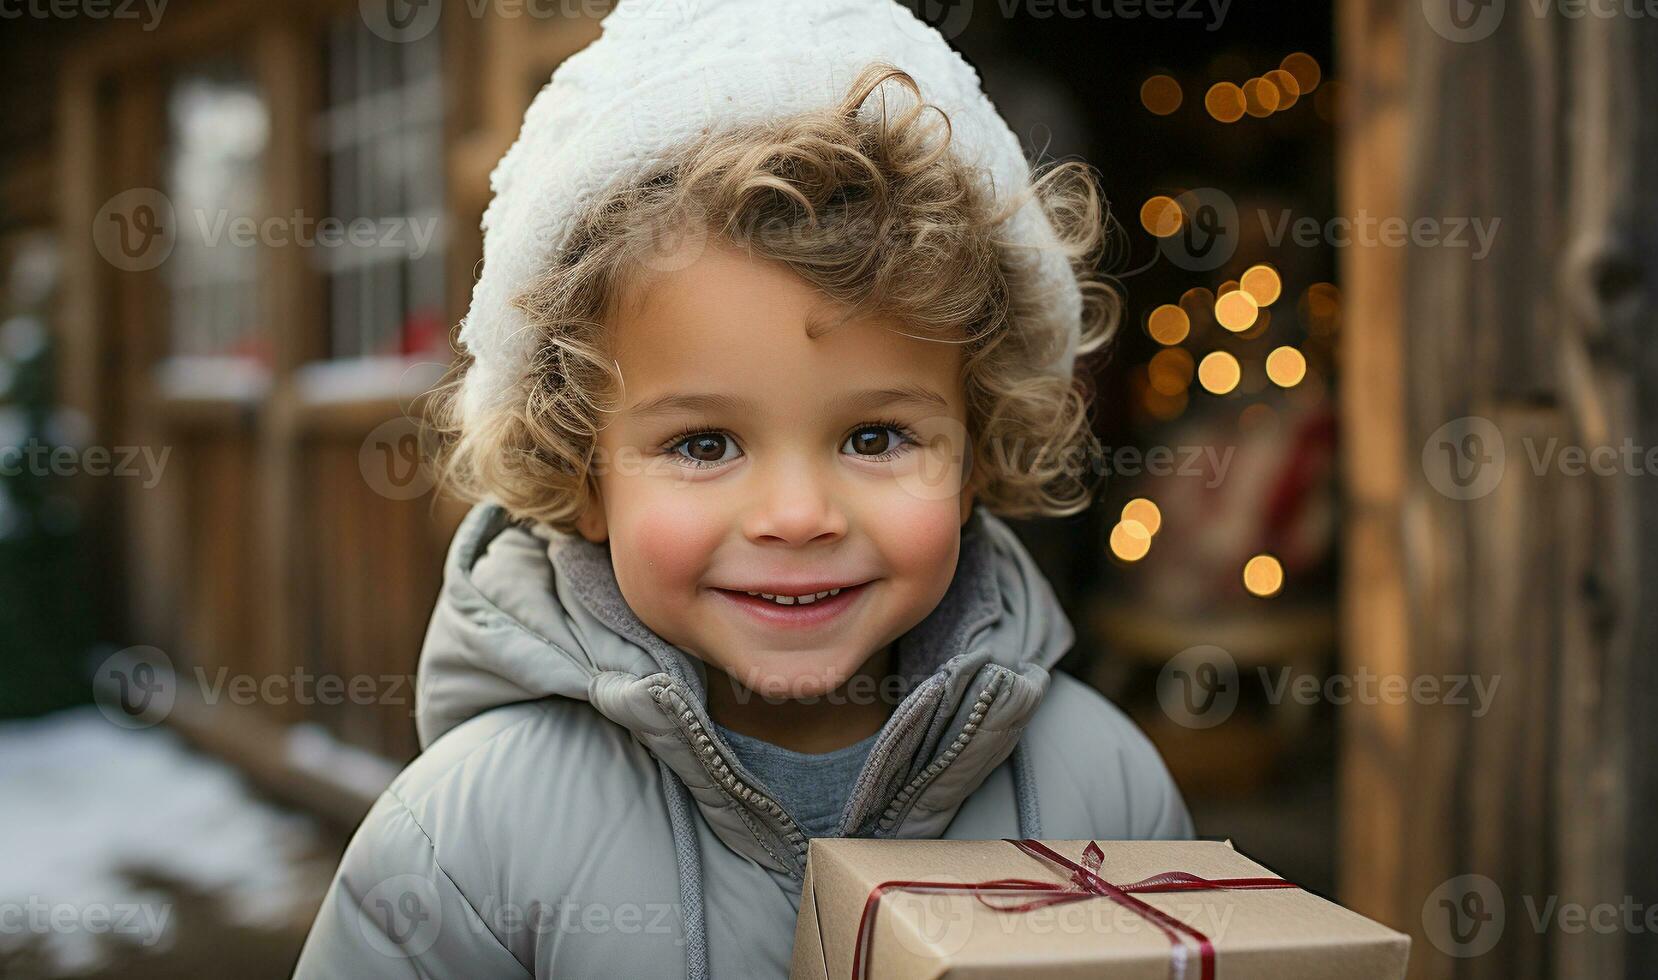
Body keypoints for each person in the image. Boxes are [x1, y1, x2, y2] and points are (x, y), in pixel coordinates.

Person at [293, 1, 1192, 976]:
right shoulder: (464, 838)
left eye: (876, 435)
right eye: (706, 442)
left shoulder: (1101, 790)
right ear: (582, 472)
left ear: (976, 451)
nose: (797, 515)